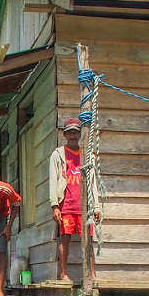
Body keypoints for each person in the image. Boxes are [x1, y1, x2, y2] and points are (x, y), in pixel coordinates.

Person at [48, 118, 101, 282]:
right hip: (66, 204)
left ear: (80, 134)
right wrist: (55, 205)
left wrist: (97, 206)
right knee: (65, 238)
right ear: (65, 134)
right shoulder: (58, 155)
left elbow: (93, 182)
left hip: (85, 205)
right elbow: (53, 179)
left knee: (89, 240)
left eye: (75, 132)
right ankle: (63, 274)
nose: (73, 135)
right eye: (69, 132)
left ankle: (91, 274)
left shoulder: (87, 155)